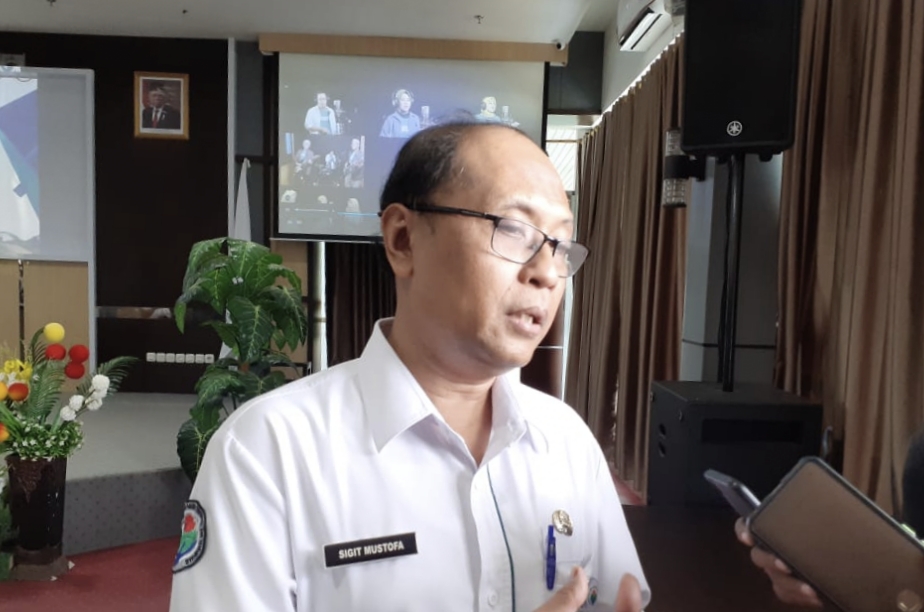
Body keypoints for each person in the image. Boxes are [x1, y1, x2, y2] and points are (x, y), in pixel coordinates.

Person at [168, 121, 649, 612]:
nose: (547, 272)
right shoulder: (265, 451)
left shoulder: (567, 441)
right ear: (403, 240)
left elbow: (615, 597)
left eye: (559, 246)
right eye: (513, 229)